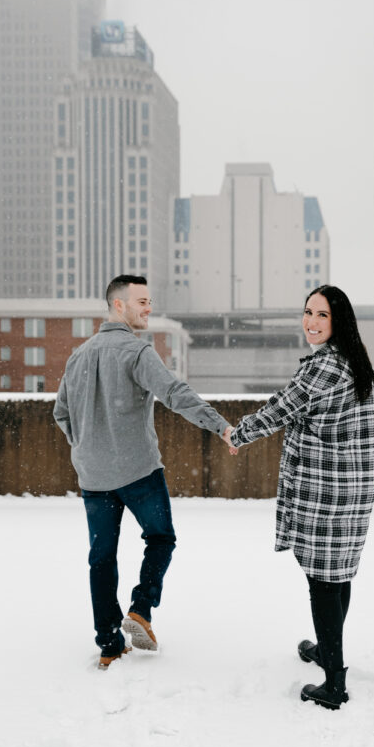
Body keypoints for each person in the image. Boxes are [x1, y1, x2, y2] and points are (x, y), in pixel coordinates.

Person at [54, 274, 233, 669]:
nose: (148, 308)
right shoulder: (137, 352)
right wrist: (219, 425)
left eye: (149, 301)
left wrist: (85, 447)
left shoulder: (77, 356)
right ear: (119, 306)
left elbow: (60, 413)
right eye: (142, 302)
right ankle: (140, 609)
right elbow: (174, 393)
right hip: (138, 472)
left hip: (93, 478)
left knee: (101, 558)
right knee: (161, 537)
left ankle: (109, 644)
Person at [227, 285, 374, 709]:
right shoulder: (354, 362)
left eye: (322, 315)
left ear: (338, 322)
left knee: (322, 580)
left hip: (325, 487)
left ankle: (334, 683)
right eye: (307, 312)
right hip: (351, 485)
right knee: (338, 573)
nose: (311, 321)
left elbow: (281, 408)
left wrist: (236, 434)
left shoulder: (325, 368)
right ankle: (329, 652)